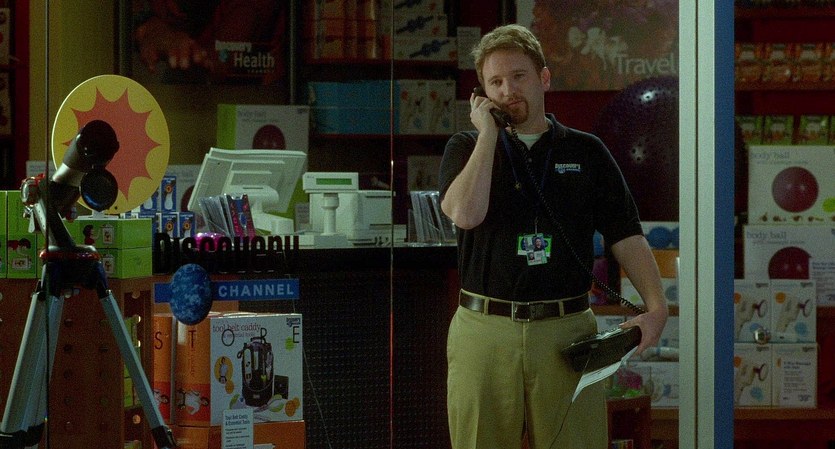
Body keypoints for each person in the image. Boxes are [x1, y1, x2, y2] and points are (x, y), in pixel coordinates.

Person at [438, 24, 668, 449]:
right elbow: (466, 215)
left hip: (566, 332)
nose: (508, 90)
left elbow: (626, 234)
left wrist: (657, 307)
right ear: (482, 93)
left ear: (543, 78)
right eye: (495, 82)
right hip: (485, 330)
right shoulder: (466, 147)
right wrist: (488, 135)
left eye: (518, 76)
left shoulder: (586, 151)